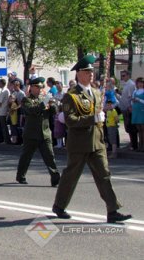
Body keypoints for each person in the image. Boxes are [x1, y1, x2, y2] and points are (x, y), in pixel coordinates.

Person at [52, 55, 131, 223]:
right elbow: (70, 120)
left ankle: (112, 210)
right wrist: (92, 119)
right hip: (79, 144)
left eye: (91, 72)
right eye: (87, 72)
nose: (91, 75)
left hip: (97, 142)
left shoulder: (96, 92)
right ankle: (59, 206)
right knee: (71, 176)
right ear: (79, 73)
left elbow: (99, 114)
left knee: (104, 175)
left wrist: (103, 117)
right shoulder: (71, 96)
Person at [15, 77, 60, 186]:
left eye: (41, 87)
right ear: (32, 88)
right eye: (38, 87)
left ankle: (55, 178)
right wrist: (43, 104)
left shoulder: (43, 98)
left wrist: (53, 104)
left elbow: (54, 112)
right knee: (26, 157)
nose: (40, 89)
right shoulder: (26, 100)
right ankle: (21, 176)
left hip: (45, 133)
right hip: (31, 134)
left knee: (50, 156)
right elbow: (31, 111)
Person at [119, 71, 137, 150]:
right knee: (128, 127)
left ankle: (133, 144)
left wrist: (129, 107)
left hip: (128, 108)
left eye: (124, 75)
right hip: (124, 107)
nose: (122, 77)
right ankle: (131, 143)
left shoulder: (130, 84)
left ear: (128, 75)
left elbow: (130, 97)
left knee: (130, 127)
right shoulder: (126, 84)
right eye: (122, 76)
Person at [131, 77, 144, 151]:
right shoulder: (135, 91)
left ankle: (143, 145)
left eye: (142, 82)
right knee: (138, 129)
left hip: (142, 111)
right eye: (139, 82)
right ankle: (140, 145)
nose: (140, 84)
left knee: (143, 129)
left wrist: (138, 99)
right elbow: (132, 101)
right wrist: (132, 102)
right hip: (136, 111)